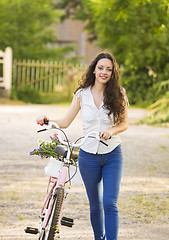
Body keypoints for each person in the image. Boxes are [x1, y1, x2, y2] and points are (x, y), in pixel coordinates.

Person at [36, 52, 128, 240]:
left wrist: (111, 131)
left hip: (112, 155)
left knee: (110, 203)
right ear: (94, 69)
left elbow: (124, 123)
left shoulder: (119, 93)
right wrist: (47, 121)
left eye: (109, 69)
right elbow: (66, 121)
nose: (104, 72)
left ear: (113, 73)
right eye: (101, 68)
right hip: (88, 156)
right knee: (95, 205)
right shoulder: (81, 95)